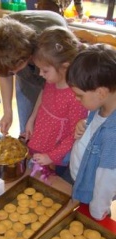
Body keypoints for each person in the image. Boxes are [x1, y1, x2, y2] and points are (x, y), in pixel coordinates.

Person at [0, 10, 68, 136]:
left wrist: (34, 118)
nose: (10, 74)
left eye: (12, 71)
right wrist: (8, 112)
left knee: (47, 124)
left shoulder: (49, 47)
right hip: (27, 58)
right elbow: (4, 73)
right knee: (27, 127)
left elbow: (48, 88)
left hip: (53, 63)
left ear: (24, 59)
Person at [25, 26, 88, 180]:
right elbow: (43, 95)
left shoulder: (75, 97)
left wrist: (51, 157)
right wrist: (31, 120)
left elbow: (75, 135)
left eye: (45, 70)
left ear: (65, 67)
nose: (40, 74)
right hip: (42, 137)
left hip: (55, 153)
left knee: (53, 180)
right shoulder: (52, 80)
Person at [66, 43, 116, 220]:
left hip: (93, 198)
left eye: (79, 95)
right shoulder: (101, 105)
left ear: (101, 92)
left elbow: (107, 179)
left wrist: (96, 211)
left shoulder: (112, 135)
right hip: (83, 180)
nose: (76, 98)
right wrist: (84, 124)